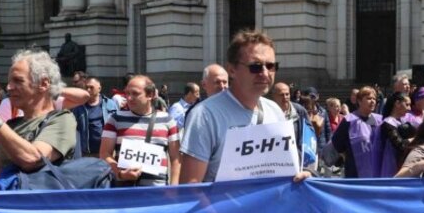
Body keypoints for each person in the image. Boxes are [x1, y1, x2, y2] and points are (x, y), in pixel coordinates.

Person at [180, 30, 308, 184]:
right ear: (232, 70)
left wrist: (301, 177)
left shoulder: (275, 111)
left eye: (271, 66)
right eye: (256, 67)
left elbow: (285, 172)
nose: (265, 73)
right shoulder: (205, 115)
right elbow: (191, 186)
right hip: (222, 208)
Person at [0, 50, 81, 186]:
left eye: (18, 81)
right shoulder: (11, 125)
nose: (9, 87)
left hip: (39, 204)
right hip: (9, 204)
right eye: (9, 81)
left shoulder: (62, 119)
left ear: (43, 84)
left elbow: (33, 159)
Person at [99, 75, 180, 186]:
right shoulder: (115, 119)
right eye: (127, 93)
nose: (129, 98)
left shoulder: (167, 120)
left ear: (150, 95)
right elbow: (104, 154)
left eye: (135, 94)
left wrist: (174, 187)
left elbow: (176, 158)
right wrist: (121, 174)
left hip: (158, 192)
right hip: (125, 192)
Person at [331, 86, 393, 179]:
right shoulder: (349, 121)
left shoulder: (380, 120)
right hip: (355, 173)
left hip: (377, 172)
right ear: (359, 101)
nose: (372, 101)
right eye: (368, 98)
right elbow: (337, 143)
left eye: (374, 99)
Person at [71, 76, 117, 159]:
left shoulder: (110, 104)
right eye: (86, 87)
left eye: (91, 87)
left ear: (99, 88)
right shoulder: (79, 107)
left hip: (108, 153)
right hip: (87, 154)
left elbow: (117, 125)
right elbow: (72, 129)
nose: (88, 90)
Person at [380, 91, 414, 174]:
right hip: (391, 166)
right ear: (397, 103)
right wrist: (414, 139)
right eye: (407, 104)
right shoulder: (388, 123)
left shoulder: (403, 121)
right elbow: (401, 145)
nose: (409, 108)